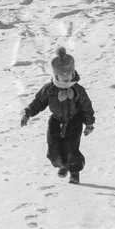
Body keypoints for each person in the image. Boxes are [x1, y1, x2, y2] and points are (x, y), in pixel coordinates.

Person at [21, 46, 95, 184]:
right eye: (62, 74)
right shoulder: (49, 89)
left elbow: (86, 107)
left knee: (71, 148)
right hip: (55, 121)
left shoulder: (78, 90)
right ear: (56, 75)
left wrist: (89, 123)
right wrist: (28, 114)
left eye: (68, 74)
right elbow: (38, 102)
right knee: (54, 150)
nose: (66, 77)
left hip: (74, 121)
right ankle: (62, 165)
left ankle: (74, 172)